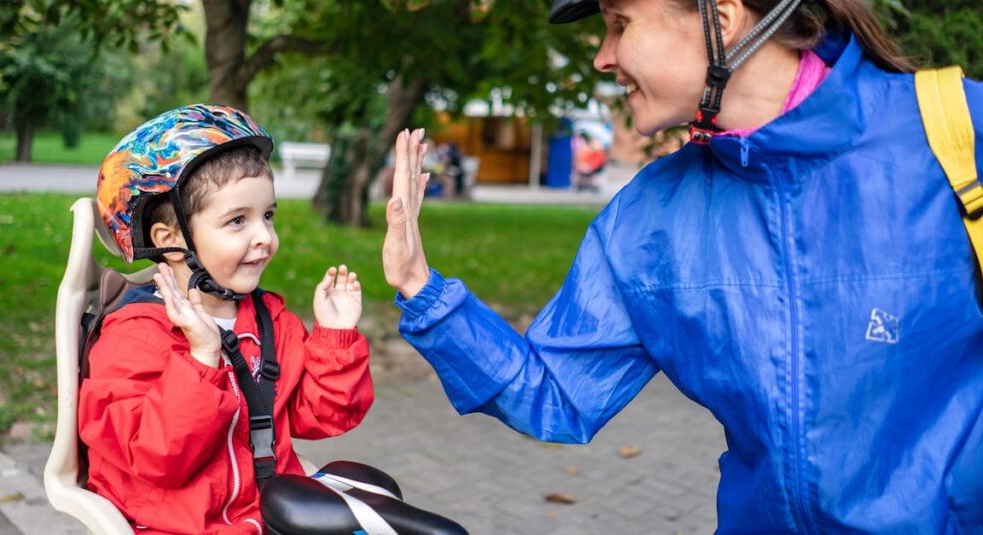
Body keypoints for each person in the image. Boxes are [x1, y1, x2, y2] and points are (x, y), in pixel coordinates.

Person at [382, 0, 983, 532]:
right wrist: (422, 287)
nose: (602, 57)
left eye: (619, 24)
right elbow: (556, 393)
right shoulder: (650, 217)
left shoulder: (955, 135)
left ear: (719, 20)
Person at [80, 104, 374, 533]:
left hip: (269, 516)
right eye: (238, 220)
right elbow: (157, 458)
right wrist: (201, 359)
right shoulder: (134, 340)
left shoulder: (270, 323)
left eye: (268, 215)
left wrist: (335, 336)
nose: (265, 237)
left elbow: (323, 417)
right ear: (170, 240)